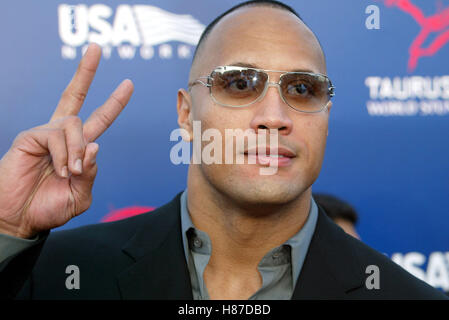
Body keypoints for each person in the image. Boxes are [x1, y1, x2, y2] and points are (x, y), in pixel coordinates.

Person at [0, 0, 446, 300]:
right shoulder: (58, 273)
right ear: (184, 112)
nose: (274, 115)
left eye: (302, 88)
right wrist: (6, 226)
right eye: (238, 83)